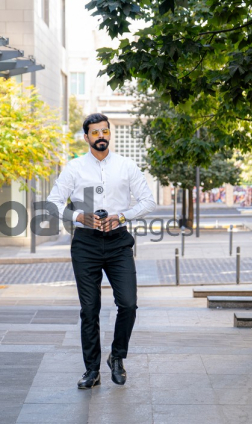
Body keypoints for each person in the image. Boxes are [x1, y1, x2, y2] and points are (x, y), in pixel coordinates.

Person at [47, 113, 156, 389]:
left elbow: (147, 202)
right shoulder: (74, 168)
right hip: (86, 244)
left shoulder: (126, 166)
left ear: (110, 134)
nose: (101, 137)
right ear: (86, 137)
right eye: (95, 133)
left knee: (128, 304)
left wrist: (122, 216)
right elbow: (53, 203)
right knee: (89, 309)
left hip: (118, 242)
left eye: (104, 131)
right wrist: (77, 216)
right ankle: (92, 370)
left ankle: (117, 357)